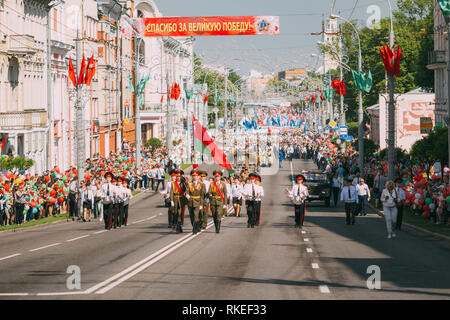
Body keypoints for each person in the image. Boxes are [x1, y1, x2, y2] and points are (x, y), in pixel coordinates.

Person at [185, 169, 206, 234]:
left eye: (196, 175)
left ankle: (195, 229)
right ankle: (195, 226)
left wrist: (201, 204)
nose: (194, 177)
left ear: (198, 176)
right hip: (190, 201)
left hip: (198, 201)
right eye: (193, 175)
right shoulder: (189, 183)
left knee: (196, 215)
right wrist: (187, 195)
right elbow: (187, 191)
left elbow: (202, 195)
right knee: (191, 215)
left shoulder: (202, 184)